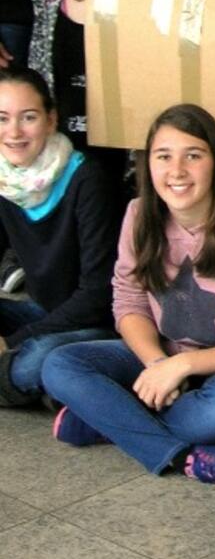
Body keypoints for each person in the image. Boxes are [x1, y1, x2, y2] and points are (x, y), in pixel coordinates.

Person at [42, 103, 215, 493]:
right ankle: (187, 458)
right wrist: (156, 363)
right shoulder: (139, 215)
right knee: (60, 364)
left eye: (193, 156)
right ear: (148, 164)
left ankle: (110, 420)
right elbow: (128, 302)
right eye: (163, 156)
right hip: (167, 357)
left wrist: (182, 366)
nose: (177, 171)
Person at [0, 68, 122, 406]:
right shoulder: (5, 178)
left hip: (99, 323)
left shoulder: (87, 179)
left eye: (28, 117)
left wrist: (13, 341)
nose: (13, 132)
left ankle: (58, 382)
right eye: (2, 118)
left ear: (51, 120)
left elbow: (98, 294)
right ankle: (59, 391)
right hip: (46, 314)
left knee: (36, 361)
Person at [27, 0, 141, 187]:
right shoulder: (51, 3)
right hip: (62, 159)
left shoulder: (150, 5)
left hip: (124, 160)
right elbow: (37, 83)